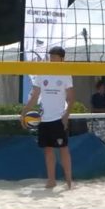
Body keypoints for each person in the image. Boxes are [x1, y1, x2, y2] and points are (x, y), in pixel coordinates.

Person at [21, 46, 75, 189]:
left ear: (62, 58)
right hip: (44, 118)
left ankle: (69, 181)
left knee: (63, 149)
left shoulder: (65, 74)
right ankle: (51, 180)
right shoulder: (42, 72)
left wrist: (66, 115)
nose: (51, 59)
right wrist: (24, 112)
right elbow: (35, 96)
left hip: (59, 117)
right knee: (48, 150)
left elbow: (71, 98)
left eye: (54, 56)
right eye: (50, 56)